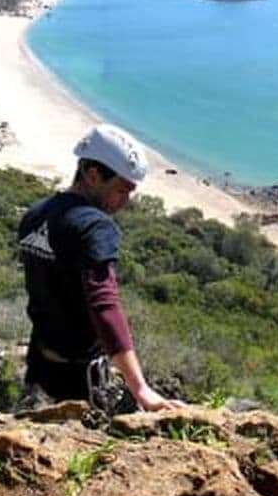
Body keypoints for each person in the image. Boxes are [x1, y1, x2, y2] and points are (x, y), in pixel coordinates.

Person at [18, 123, 185, 412]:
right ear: (93, 175)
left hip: (40, 366)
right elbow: (104, 302)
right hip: (79, 378)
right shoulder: (96, 226)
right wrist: (141, 388)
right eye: (122, 189)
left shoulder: (35, 216)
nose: (127, 201)